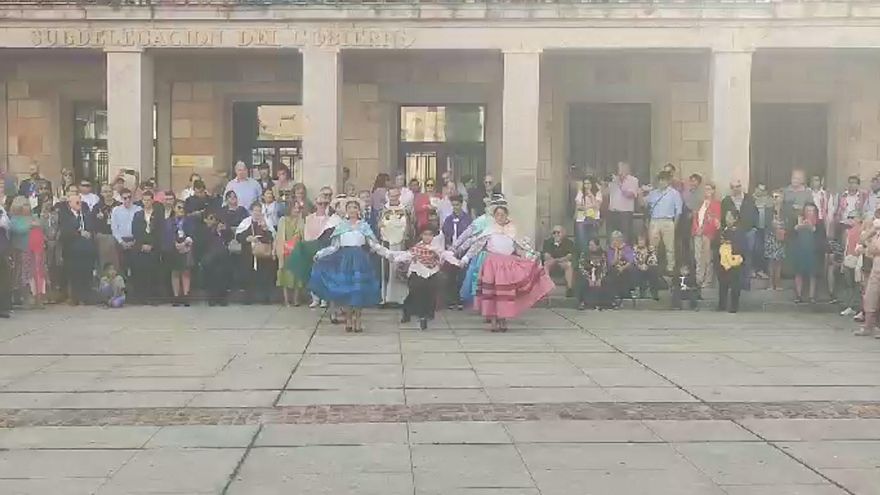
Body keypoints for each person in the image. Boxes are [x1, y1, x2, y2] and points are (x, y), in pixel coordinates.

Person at [461, 204, 555, 332]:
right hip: (492, 264)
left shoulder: (512, 230)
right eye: (498, 215)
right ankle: (493, 321)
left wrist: (531, 255)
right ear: (494, 217)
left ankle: (503, 319)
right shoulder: (489, 230)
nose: (500, 217)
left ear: (507, 216)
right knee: (492, 292)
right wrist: (466, 257)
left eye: (503, 214)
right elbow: (477, 245)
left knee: (504, 293)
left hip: (507, 265)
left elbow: (520, 247)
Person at [310, 198, 391, 332]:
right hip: (345, 259)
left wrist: (389, 254)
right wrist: (320, 254)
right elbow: (334, 247)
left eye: (355, 208)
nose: (353, 210)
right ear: (346, 211)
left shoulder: (364, 226)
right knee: (346, 289)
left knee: (358, 290)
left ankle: (358, 319)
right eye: (350, 208)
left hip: (360, 259)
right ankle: (348, 318)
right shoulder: (341, 226)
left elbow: (373, 245)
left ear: (359, 210)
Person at [395, 227, 459, 330]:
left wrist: (457, 262)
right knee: (415, 293)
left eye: (430, 235)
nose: (427, 237)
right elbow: (406, 256)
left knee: (430, 292)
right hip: (417, 273)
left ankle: (425, 316)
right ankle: (409, 312)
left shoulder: (436, 248)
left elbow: (445, 256)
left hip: (432, 273)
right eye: (425, 234)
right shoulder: (417, 248)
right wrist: (397, 259)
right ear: (421, 236)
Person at [288, 196, 334, 309]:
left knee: (324, 272)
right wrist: (309, 245)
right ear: (316, 205)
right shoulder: (309, 218)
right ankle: (315, 297)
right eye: (320, 204)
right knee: (312, 272)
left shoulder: (330, 219)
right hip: (311, 245)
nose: (322, 206)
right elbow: (307, 233)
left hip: (324, 246)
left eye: (325, 204)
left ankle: (324, 298)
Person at [59, 192, 96, 306]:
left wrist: (89, 233)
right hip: (72, 248)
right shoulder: (65, 216)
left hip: (86, 248)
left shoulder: (86, 214)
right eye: (76, 202)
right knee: (75, 274)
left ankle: (86, 297)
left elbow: (92, 227)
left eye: (80, 202)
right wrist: (79, 233)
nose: (79, 204)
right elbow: (65, 232)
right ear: (69, 204)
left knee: (86, 272)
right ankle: (75, 297)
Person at [9, 196, 46, 308]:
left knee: (38, 273)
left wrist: (42, 217)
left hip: (37, 250)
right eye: (24, 205)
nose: (27, 207)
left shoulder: (33, 216)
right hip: (23, 250)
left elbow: (41, 226)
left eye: (28, 205)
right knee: (25, 274)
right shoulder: (14, 219)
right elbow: (16, 230)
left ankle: (38, 298)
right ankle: (26, 298)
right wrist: (29, 226)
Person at [721, 179, 759, 289]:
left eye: (738, 186)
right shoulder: (726, 201)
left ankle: (745, 283)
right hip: (732, 233)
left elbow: (755, 213)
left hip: (748, 232)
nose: (735, 189)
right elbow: (723, 217)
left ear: (741, 186)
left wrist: (754, 228)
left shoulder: (749, 199)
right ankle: (733, 283)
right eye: (733, 187)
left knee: (747, 258)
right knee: (732, 258)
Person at [236, 202, 277, 304]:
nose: (257, 213)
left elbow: (272, 237)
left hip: (263, 252)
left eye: (259, 211)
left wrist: (264, 229)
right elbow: (238, 236)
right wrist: (247, 238)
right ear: (251, 211)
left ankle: (265, 297)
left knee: (266, 272)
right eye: (255, 211)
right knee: (247, 272)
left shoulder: (266, 221)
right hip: (249, 252)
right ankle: (248, 297)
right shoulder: (246, 222)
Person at [378, 187, 413, 307]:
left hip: (401, 243)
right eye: (392, 196)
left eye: (396, 196)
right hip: (387, 243)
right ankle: (386, 298)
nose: (394, 198)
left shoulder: (405, 209)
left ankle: (401, 298)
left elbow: (410, 225)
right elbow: (379, 225)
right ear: (388, 196)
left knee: (400, 268)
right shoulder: (383, 209)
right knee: (387, 270)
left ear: (399, 196)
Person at [646, 170, 683, 273]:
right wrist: (641, 192)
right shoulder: (653, 193)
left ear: (668, 181)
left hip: (668, 221)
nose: (661, 182)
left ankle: (670, 268)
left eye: (664, 180)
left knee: (670, 247)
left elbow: (678, 211)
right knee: (653, 247)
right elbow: (644, 204)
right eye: (660, 180)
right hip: (654, 221)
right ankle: (653, 267)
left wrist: (674, 224)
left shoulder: (674, 193)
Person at [130, 190, 163, 304]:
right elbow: (135, 231)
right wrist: (141, 245)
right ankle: (141, 297)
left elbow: (160, 232)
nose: (147, 202)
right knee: (141, 271)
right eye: (145, 200)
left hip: (153, 247)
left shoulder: (158, 215)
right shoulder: (138, 215)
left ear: (152, 200)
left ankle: (153, 297)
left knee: (153, 272)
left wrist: (152, 245)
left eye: (149, 200)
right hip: (141, 247)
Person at [164, 200, 197, 306]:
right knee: (175, 272)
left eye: (183, 208)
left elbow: (193, 233)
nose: (181, 210)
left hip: (187, 247)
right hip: (173, 248)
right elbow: (167, 235)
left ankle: (186, 296)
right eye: (179, 207)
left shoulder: (189, 221)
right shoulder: (169, 221)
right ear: (174, 208)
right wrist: (175, 244)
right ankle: (176, 296)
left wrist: (185, 244)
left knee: (186, 272)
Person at [442, 195, 472, 309]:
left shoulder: (468, 219)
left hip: (463, 251)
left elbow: (470, 236)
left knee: (461, 276)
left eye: (457, 205)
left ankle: (460, 299)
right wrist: (448, 246)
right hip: (451, 250)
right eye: (453, 205)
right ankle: (451, 300)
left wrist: (463, 249)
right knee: (450, 276)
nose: (455, 207)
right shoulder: (448, 219)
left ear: (461, 204)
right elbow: (445, 234)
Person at [198, 211, 233, 306]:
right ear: (205, 220)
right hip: (209, 258)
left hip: (222, 258)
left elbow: (230, 237)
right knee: (212, 277)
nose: (213, 221)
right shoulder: (203, 230)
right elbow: (201, 244)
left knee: (222, 275)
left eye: (214, 219)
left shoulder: (221, 230)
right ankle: (212, 298)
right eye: (211, 219)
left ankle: (222, 298)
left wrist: (222, 230)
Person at [691, 182, 721, 290]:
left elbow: (715, 220)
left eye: (709, 189)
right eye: (705, 189)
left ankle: (707, 280)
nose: (707, 192)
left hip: (708, 234)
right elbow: (695, 217)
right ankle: (699, 279)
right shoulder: (700, 203)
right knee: (698, 257)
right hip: (697, 233)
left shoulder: (716, 204)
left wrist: (703, 230)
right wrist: (696, 229)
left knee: (707, 257)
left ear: (713, 191)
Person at [276, 200, 305, 307]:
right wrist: (283, 248)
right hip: (285, 250)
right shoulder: (283, 220)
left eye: (298, 208)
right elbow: (280, 236)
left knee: (297, 275)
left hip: (297, 250)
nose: (296, 210)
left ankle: (296, 299)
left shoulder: (301, 221)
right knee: (285, 275)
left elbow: (302, 235)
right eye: (294, 208)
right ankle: (286, 300)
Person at [855, 216, 880, 337]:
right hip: (876, 268)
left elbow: (876, 249)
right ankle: (868, 325)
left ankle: (875, 326)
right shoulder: (876, 233)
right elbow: (863, 240)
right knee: (870, 296)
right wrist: (871, 231)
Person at [792, 203, 821, 304]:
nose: (809, 212)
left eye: (812, 210)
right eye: (807, 210)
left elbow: (818, 232)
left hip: (813, 250)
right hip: (800, 249)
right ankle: (798, 295)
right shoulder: (799, 219)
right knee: (799, 273)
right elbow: (794, 229)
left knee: (812, 274)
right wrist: (801, 225)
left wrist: (810, 226)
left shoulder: (819, 222)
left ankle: (811, 296)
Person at [110, 189, 141, 281]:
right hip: (121, 240)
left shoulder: (138, 209)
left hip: (135, 240)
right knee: (121, 266)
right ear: (121, 199)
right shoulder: (116, 210)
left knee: (136, 266)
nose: (127, 200)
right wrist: (121, 242)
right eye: (125, 198)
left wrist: (135, 241)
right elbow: (114, 228)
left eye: (129, 197)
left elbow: (141, 228)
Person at [717, 218, 745, 314]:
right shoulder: (724, 230)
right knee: (723, 285)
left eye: (730, 216)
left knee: (735, 286)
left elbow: (742, 248)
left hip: (734, 262)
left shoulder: (739, 232)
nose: (727, 218)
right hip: (724, 263)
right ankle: (722, 305)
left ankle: (734, 306)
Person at [607, 162, 639, 243]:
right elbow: (606, 193)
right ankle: (612, 254)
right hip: (612, 212)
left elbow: (630, 195)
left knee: (625, 236)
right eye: (618, 168)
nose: (619, 171)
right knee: (611, 236)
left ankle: (625, 254)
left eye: (621, 168)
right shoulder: (613, 180)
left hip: (625, 213)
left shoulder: (633, 180)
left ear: (626, 169)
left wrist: (620, 183)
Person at [577, 238, 613, 310]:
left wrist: (599, 279)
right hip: (588, 274)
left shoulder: (603, 254)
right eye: (589, 245)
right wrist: (589, 279)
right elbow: (581, 267)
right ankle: (583, 303)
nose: (590, 247)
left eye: (592, 245)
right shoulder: (584, 254)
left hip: (599, 274)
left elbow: (604, 267)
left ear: (598, 246)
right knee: (582, 282)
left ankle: (605, 304)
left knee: (607, 281)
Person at [93, 184, 120, 271]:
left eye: (109, 191)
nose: (108, 194)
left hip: (117, 236)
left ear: (113, 193)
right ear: (101, 193)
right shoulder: (97, 207)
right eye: (105, 192)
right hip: (102, 236)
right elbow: (92, 224)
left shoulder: (119, 206)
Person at [764, 190, 787, 291]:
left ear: (782, 198)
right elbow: (765, 224)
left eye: (777, 197)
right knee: (771, 261)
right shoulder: (768, 210)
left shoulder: (785, 210)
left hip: (781, 237)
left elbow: (788, 222)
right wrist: (772, 224)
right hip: (771, 237)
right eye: (773, 197)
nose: (775, 199)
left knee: (779, 261)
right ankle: (770, 284)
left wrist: (782, 225)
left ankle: (777, 283)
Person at [542, 225, 576, 295]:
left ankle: (570, 289)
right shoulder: (547, 242)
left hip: (562, 262)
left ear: (563, 233)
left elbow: (569, 256)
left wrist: (559, 260)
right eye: (554, 233)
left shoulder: (569, 242)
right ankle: (545, 288)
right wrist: (555, 260)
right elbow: (546, 255)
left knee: (569, 265)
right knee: (546, 265)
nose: (556, 235)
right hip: (552, 262)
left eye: (558, 232)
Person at [574, 176, 602, 252]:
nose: (586, 186)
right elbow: (578, 206)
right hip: (582, 219)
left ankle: (593, 259)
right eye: (585, 183)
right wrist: (589, 207)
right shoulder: (580, 192)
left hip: (593, 219)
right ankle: (584, 258)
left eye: (588, 183)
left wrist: (591, 196)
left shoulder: (598, 192)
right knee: (582, 241)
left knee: (593, 241)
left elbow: (597, 206)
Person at [606, 230, 635, 301]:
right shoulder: (610, 249)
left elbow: (631, 260)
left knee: (627, 271)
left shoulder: (627, 248)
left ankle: (626, 293)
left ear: (621, 239)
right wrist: (616, 250)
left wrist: (623, 267)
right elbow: (612, 263)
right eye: (614, 239)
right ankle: (615, 294)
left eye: (618, 239)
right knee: (613, 271)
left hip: (625, 267)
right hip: (614, 268)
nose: (616, 241)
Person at [633, 233, 660, 300]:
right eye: (639, 240)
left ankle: (652, 292)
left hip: (648, 267)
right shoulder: (634, 249)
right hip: (638, 267)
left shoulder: (650, 249)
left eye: (642, 240)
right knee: (633, 269)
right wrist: (640, 265)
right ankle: (637, 290)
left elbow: (654, 259)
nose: (641, 242)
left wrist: (647, 265)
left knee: (654, 269)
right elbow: (633, 259)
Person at [0, 202, 11, 318]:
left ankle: (2, 307)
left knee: (3, 279)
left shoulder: (1, 210)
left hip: (1, 249)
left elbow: (7, 226)